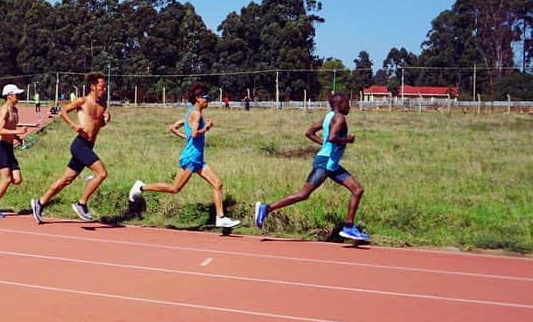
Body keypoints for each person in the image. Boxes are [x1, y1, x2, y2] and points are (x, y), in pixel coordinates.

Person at [254, 93, 368, 241]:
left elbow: (310, 133)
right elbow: (332, 138)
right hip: (326, 163)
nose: (349, 106)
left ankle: (349, 227)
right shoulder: (340, 118)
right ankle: (266, 208)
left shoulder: (328, 117)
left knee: (357, 190)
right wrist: (348, 139)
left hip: (330, 164)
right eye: (347, 103)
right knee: (304, 194)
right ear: (340, 105)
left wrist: (324, 145)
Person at [129, 82, 240, 228]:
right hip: (191, 158)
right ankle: (141, 187)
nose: (208, 100)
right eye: (206, 97)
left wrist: (186, 137)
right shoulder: (196, 114)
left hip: (197, 159)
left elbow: (173, 128)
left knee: (217, 183)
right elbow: (194, 134)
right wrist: (206, 128)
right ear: (198, 98)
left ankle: (220, 217)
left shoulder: (190, 112)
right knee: (174, 188)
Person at [31, 72, 110, 223]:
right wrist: (74, 125)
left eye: (105, 87)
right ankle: (81, 204)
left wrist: (106, 121)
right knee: (101, 174)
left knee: (66, 180)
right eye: (101, 86)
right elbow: (63, 111)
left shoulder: (102, 105)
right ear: (93, 87)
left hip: (88, 145)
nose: (104, 89)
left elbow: (97, 125)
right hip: (80, 145)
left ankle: (39, 203)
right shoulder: (82, 101)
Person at [0, 84, 33, 218]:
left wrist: (18, 137)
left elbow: (10, 127)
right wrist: (18, 131)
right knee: (6, 179)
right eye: (16, 95)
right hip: (0, 147)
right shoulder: (4, 110)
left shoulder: (15, 110)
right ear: (9, 96)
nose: (18, 97)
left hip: (9, 147)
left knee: (17, 180)